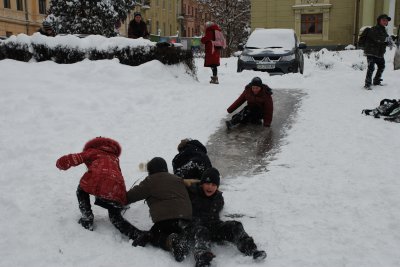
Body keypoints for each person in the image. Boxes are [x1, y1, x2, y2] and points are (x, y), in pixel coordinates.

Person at [55, 137, 146, 245]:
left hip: (97, 180)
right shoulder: (114, 158)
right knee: (115, 217)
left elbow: (77, 157)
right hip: (115, 188)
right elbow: (118, 176)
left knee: (82, 190)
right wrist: (121, 200)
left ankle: (87, 218)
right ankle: (137, 234)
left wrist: (61, 163)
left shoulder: (92, 151)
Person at [185, 168, 267, 266]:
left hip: (214, 226)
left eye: (214, 185)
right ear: (202, 183)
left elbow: (219, 206)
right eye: (207, 183)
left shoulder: (218, 197)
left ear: (217, 187)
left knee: (235, 225)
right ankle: (203, 258)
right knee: (201, 232)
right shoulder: (192, 193)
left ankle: (251, 249)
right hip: (196, 227)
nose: (210, 187)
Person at [126, 157, 193, 261]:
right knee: (179, 230)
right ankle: (181, 239)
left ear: (150, 170)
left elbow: (131, 196)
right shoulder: (177, 179)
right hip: (185, 218)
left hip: (166, 220)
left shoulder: (150, 181)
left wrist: (119, 200)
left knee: (155, 235)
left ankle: (171, 241)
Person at [363, 14, 394, 89]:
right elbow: (378, 39)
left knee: (382, 66)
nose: (385, 22)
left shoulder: (383, 30)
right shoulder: (374, 29)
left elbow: (385, 41)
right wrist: (387, 39)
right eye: (383, 20)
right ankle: (367, 84)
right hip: (371, 52)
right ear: (379, 21)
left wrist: (391, 40)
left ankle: (376, 81)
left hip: (379, 53)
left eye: (386, 21)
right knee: (371, 68)